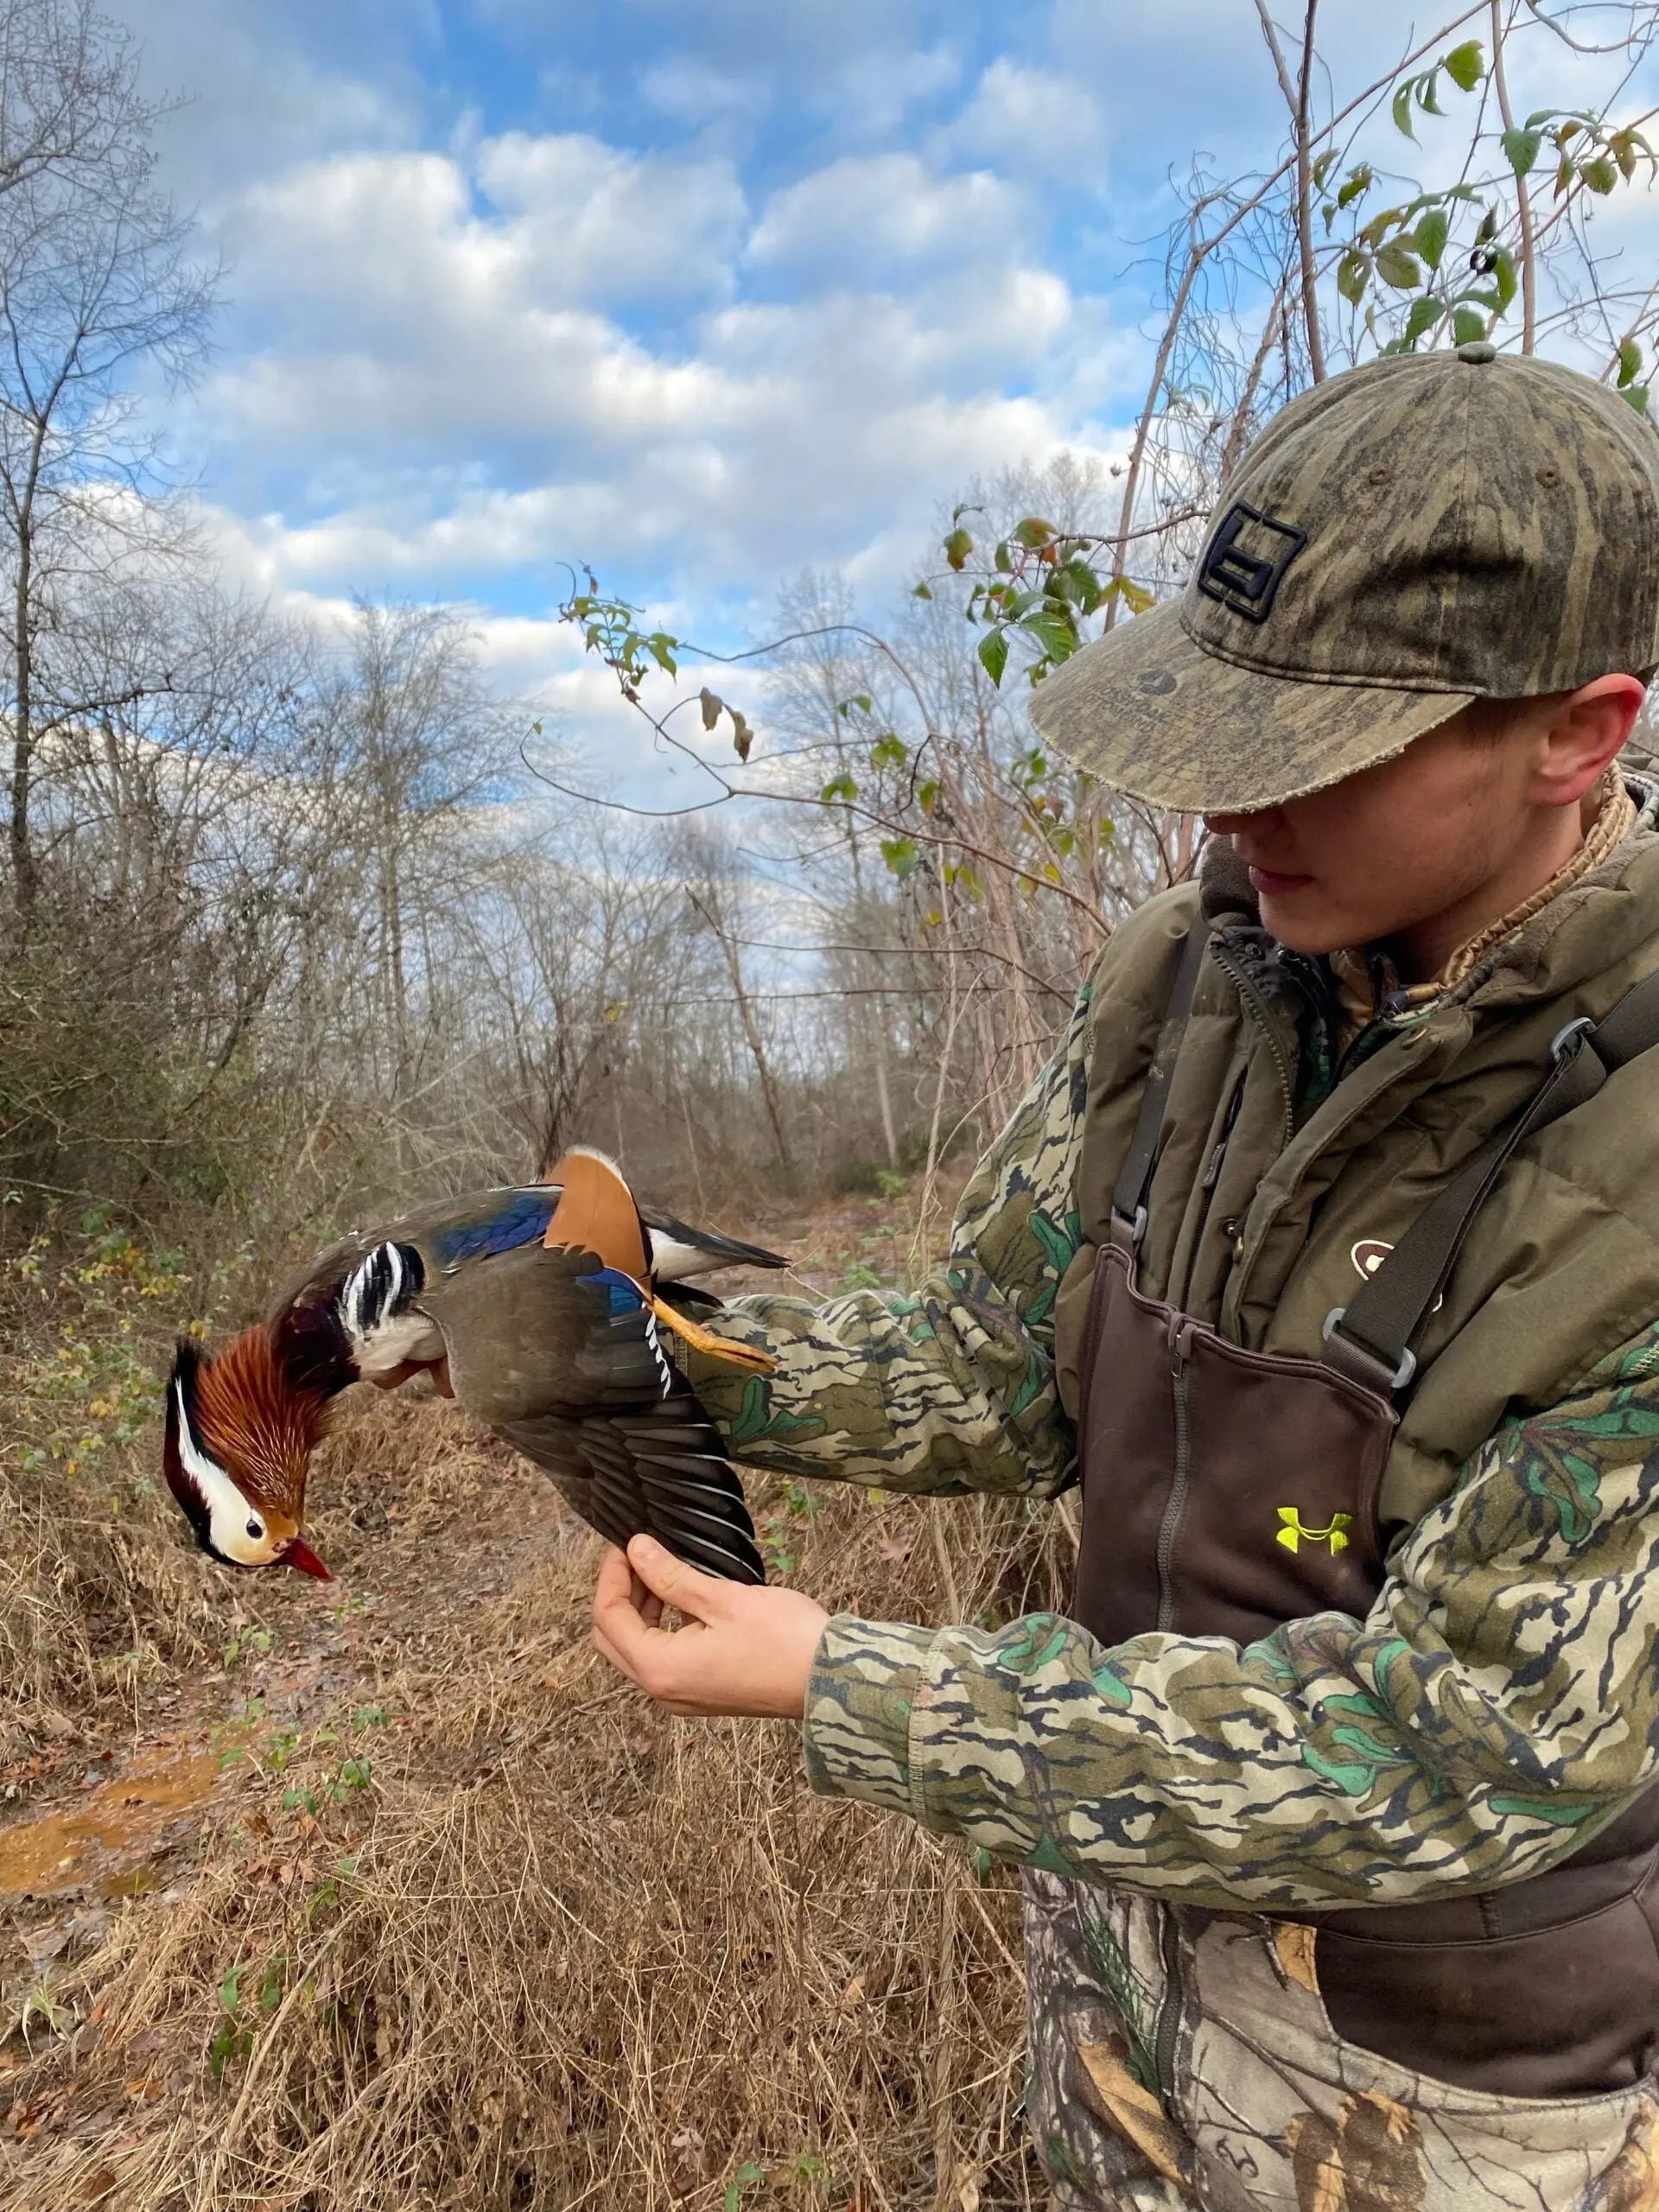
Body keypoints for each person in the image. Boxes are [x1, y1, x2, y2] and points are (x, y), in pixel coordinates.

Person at [591, 341, 1659, 2209]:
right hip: (1114, 1966)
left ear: (1576, 732)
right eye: (1218, 734)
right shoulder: (1189, 981)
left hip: (1442, 2095)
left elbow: (1453, 1746)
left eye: (1313, 752)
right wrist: (633, 1342)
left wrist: (857, 1683)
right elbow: (994, 1360)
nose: (1236, 815)